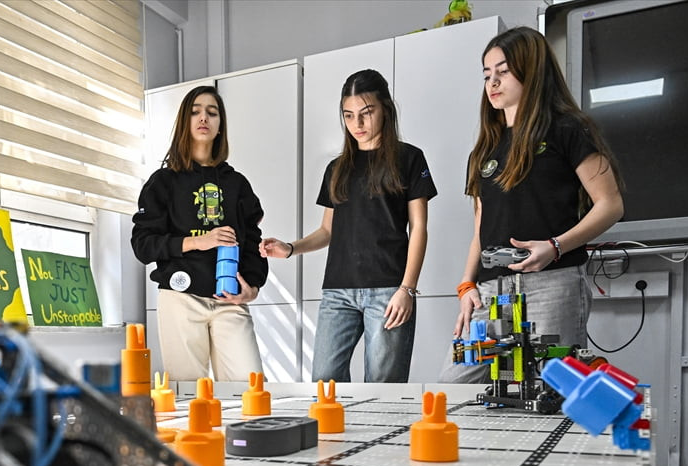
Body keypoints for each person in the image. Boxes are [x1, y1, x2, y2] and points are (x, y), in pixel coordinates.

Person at [438, 26, 624, 383]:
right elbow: (481, 226)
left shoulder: (569, 129)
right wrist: (466, 284)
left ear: (532, 71)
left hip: (552, 285)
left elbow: (610, 205)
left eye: (503, 72)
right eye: (487, 74)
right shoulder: (484, 150)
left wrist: (555, 247)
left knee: (550, 393)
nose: (492, 82)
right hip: (492, 292)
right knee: (453, 386)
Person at [261, 69, 436, 383]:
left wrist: (406, 289)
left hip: (388, 290)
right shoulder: (337, 168)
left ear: (385, 109)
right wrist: (290, 249)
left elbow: (419, 229)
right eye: (349, 115)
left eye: (366, 113)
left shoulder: (409, 159)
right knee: (324, 381)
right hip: (338, 292)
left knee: (384, 388)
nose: (358, 124)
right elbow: (327, 231)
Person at [131, 85, 267, 382]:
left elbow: (253, 241)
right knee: (188, 397)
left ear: (220, 126)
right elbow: (143, 245)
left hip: (228, 299)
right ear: (185, 122)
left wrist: (253, 287)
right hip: (180, 298)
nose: (203, 117)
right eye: (195, 111)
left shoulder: (237, 185)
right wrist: (199, 242)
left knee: (251, 388)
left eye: (212, 112)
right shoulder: (163, 182)